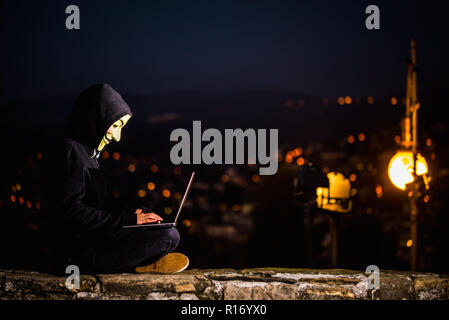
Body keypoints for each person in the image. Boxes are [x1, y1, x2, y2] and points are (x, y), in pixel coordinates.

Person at [44, 83, 188, 275]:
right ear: (96, 119)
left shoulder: (89, 153)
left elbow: (95, 206)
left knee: (161, 232)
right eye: (115, 126)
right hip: (78, 255)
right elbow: (72, 212)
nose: (118, 137)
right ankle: (138, 265)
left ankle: (139, 262)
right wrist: (126, 220)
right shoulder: (70, 152)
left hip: (94, 241)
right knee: (168, 237)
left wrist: (134, 216)